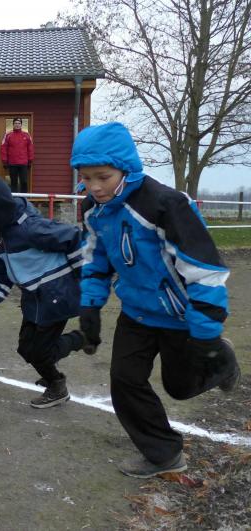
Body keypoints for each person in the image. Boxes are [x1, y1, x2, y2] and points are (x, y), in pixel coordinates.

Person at [71, 122, 240, 479]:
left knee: (180, 388)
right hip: (136, 313)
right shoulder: (93, 209)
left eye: (103, 177)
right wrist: (90, 306)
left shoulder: (165, 204)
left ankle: (222, 363)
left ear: (126, 168)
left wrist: (206, 330)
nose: (94, 186)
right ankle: (164, 453)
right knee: (124, 380)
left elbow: (204, 269)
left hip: (180, 315)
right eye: (86, 178)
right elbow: (95, 257)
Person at [0, 176, 88, 408]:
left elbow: (74, 237)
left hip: (57, 296)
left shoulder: (31, 229)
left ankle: (77, 347)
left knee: (41, 353)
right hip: (34, 299)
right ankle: (55, 375)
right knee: (26, 349)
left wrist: (86, 277)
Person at [0, 117, 34, 193]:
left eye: (19, 123)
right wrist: (4, 161)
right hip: (12, 163)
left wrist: (30, 160)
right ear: (13, 124)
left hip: (23, 163)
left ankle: (24, 198)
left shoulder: (27, 135)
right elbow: (3, 148)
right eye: (15, 123)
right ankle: (14, 198)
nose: (17, 125)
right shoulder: (8, 135)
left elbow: (30, 148)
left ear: (21, 125)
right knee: (13, 182)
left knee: (24, 181)